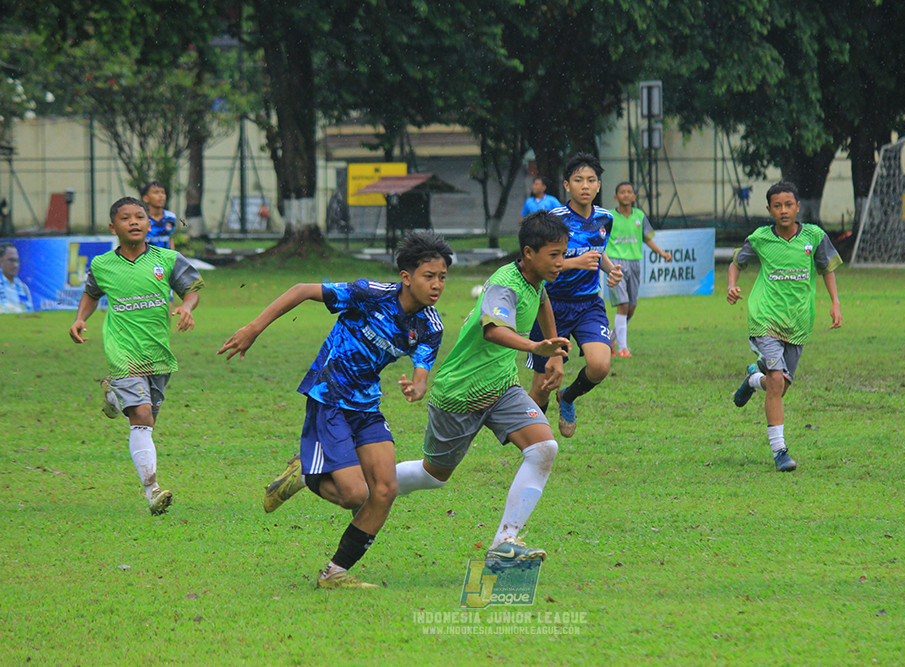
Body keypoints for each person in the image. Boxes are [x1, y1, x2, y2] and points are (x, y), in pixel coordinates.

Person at [219, 232, 452, 589]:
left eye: (443, 277)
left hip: (367, 405)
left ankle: (334, 573)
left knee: (385, 490)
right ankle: (306, 473)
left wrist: (416, 389)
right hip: (329, 396)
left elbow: (422, 374)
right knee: (355, 496)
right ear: (406, 277)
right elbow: (301, 290)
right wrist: (253, 329)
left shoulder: (430, 327)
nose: (437, 285)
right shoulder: (370, 293)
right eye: (429, 276)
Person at [393, 211, 570, 560]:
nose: (561, 262)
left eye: (563, 254)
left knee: (544, 449)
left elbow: (543, 301)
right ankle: (369, 483)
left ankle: (505, 541)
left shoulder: (535, 279)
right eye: (554, 255)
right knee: (433, 476)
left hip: (502, 387)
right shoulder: (505, 284)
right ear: (529, 252)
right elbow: (493, 330)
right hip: (461, 392)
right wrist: (535, 347)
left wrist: (555, 355)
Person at [69, 197, 204, 514]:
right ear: (112, 227)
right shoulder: (102, 265)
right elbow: (91, 293)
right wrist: (80, 319)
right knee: (141, 416)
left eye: (140, 217)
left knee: (148, 420)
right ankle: (152, 491)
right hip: (122, 351)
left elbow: (192, 289)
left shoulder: (167, 259)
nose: (133, 222)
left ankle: (113, 396)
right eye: (125, 218)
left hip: (157, 353)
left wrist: (186, 306)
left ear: (149, 224)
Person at [727, 181, 842, 472]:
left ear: (798, 207)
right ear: (769, 210)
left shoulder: (814, 237)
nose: (783, 210)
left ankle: (754, 380)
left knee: (779, 387)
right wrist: (731, 285)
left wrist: (835, 302)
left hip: (798, 321)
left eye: (788, 205)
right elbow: (736, 263)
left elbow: (827, 268)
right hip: (765, 317)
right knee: (777, 381)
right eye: (777, 206)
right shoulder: (761, 238)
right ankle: (780, 452)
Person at [526, 152, 622, 438]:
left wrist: (610, 270)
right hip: (551, 306)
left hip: (589, 303)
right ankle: (531, 440)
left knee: (600, 366)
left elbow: (597, 251)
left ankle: (568, 397)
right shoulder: (553, 220)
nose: (585, 186)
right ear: (567, 185)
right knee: (542, 386)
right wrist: (574, 263)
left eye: (591, 180)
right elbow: (537, 264)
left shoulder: (605, 218)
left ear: (599, 185)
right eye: (578, 180)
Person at [605, 181, 672, 357]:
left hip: (635, 263)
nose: (626, 195)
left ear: (634, 196)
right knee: (623, 304)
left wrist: (661, 253)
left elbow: (646, 238)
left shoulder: (639, 216)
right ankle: (623, 348)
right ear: (616, 197)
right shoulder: (609, 217)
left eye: (629, 192)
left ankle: (610, 338)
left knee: (631, 308)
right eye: (622, 192)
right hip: (615, 263)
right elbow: (601, 237)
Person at [141, 181, 178, 250]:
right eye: (156, 192)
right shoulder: (141, 218)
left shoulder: (170, 217)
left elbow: (170, 239)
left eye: (163, 192)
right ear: (146, 198)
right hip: (147, 256)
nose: (161, 196)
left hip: (165, 256)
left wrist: (173, 254)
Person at [0, 242, 33, 314]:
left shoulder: (23, 288)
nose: (15, 265)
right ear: (1, 261)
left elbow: (29, 312)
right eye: (11, 260)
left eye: (17, 261)